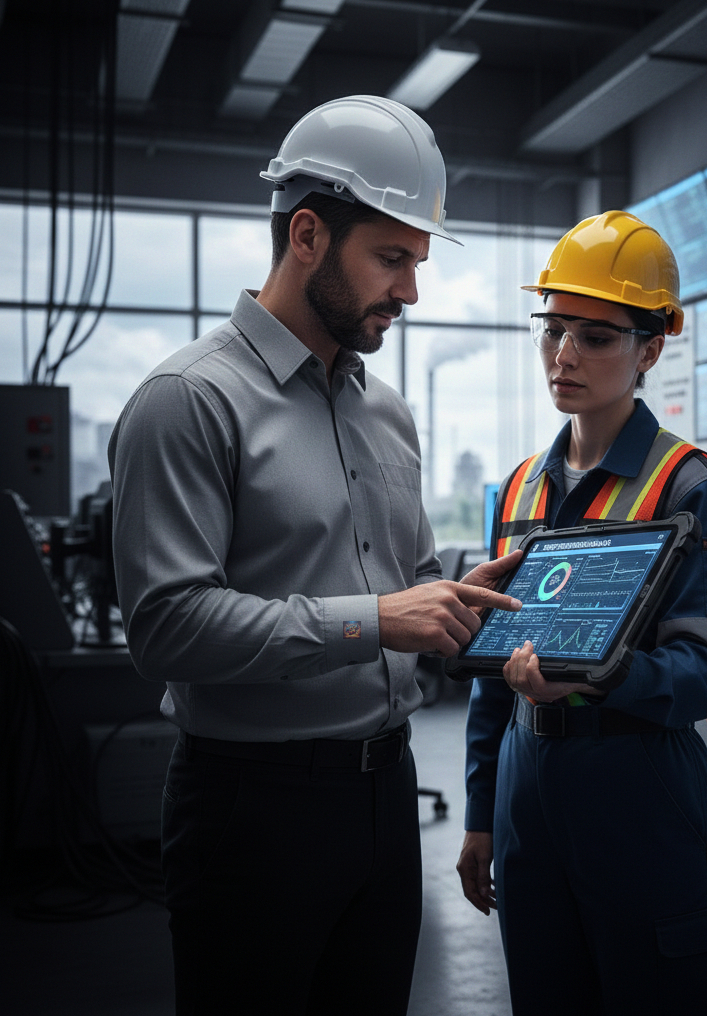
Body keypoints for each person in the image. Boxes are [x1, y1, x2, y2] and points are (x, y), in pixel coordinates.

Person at [108, 95, 522, 1016]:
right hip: (251, 810)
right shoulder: (187, 400)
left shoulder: (386, 411)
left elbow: (405, 582)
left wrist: (449, 604)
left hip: (386, 794)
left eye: (416, 261)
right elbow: (166, 628)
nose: (410, 292)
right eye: (391, 259)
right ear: (306, 235)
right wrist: (377, 621)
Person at [456, 210, 707, 1015]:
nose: (565, 355)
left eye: (596, 335)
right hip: (527, 791)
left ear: (651, 347)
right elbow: (491, 668)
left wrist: (596, 676)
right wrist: (482, 812)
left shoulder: (692, 489)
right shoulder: (520, 489)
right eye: (552, 330)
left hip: (638, 789)